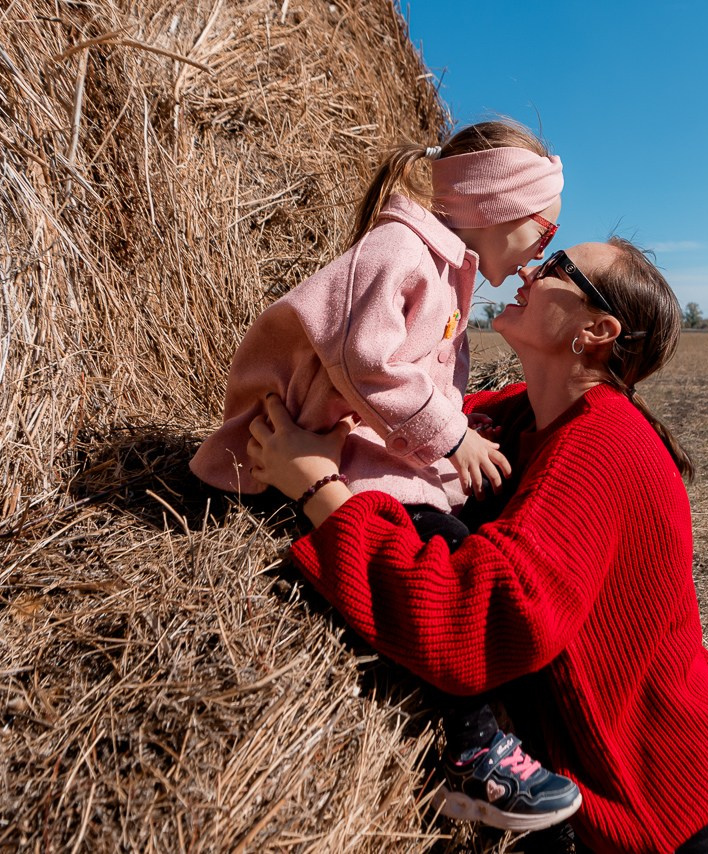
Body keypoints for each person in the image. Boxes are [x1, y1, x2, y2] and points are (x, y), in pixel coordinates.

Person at [245, 239, 708, 853]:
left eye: (556, 268)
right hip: (631, 788)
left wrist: (318, 488)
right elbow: (407, 413)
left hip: (671, 803)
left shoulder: (604, 445)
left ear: (596, 331)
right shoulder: (526, 415)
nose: (529, 271)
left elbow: (471, 623)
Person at [190, 119, 581, 830]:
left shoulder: (442, 265)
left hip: (355, 440)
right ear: (493, 205)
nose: (543, 250)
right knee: (442, 559)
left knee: (475, 528)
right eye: (544, 228)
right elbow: (365, 363)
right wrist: (451, 436)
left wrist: (464, 428)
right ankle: (470, 752)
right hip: (311, 446)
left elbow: (413, 374)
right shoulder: (400, 250)